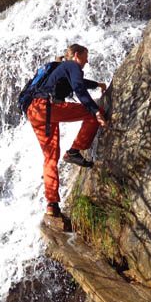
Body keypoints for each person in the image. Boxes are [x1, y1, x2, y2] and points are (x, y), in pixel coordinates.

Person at [27, 44, 107, 218]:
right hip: (48, 108)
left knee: (50, 158)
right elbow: (78, 88)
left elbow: (80, 83)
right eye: (85, 57)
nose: (87, 61)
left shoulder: (60, 69)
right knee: (98, 113)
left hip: (34, 111)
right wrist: (95, 111)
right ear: (76, 55)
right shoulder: (72, 65)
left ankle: (52, 204)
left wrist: (97, 85)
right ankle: (74, 151)